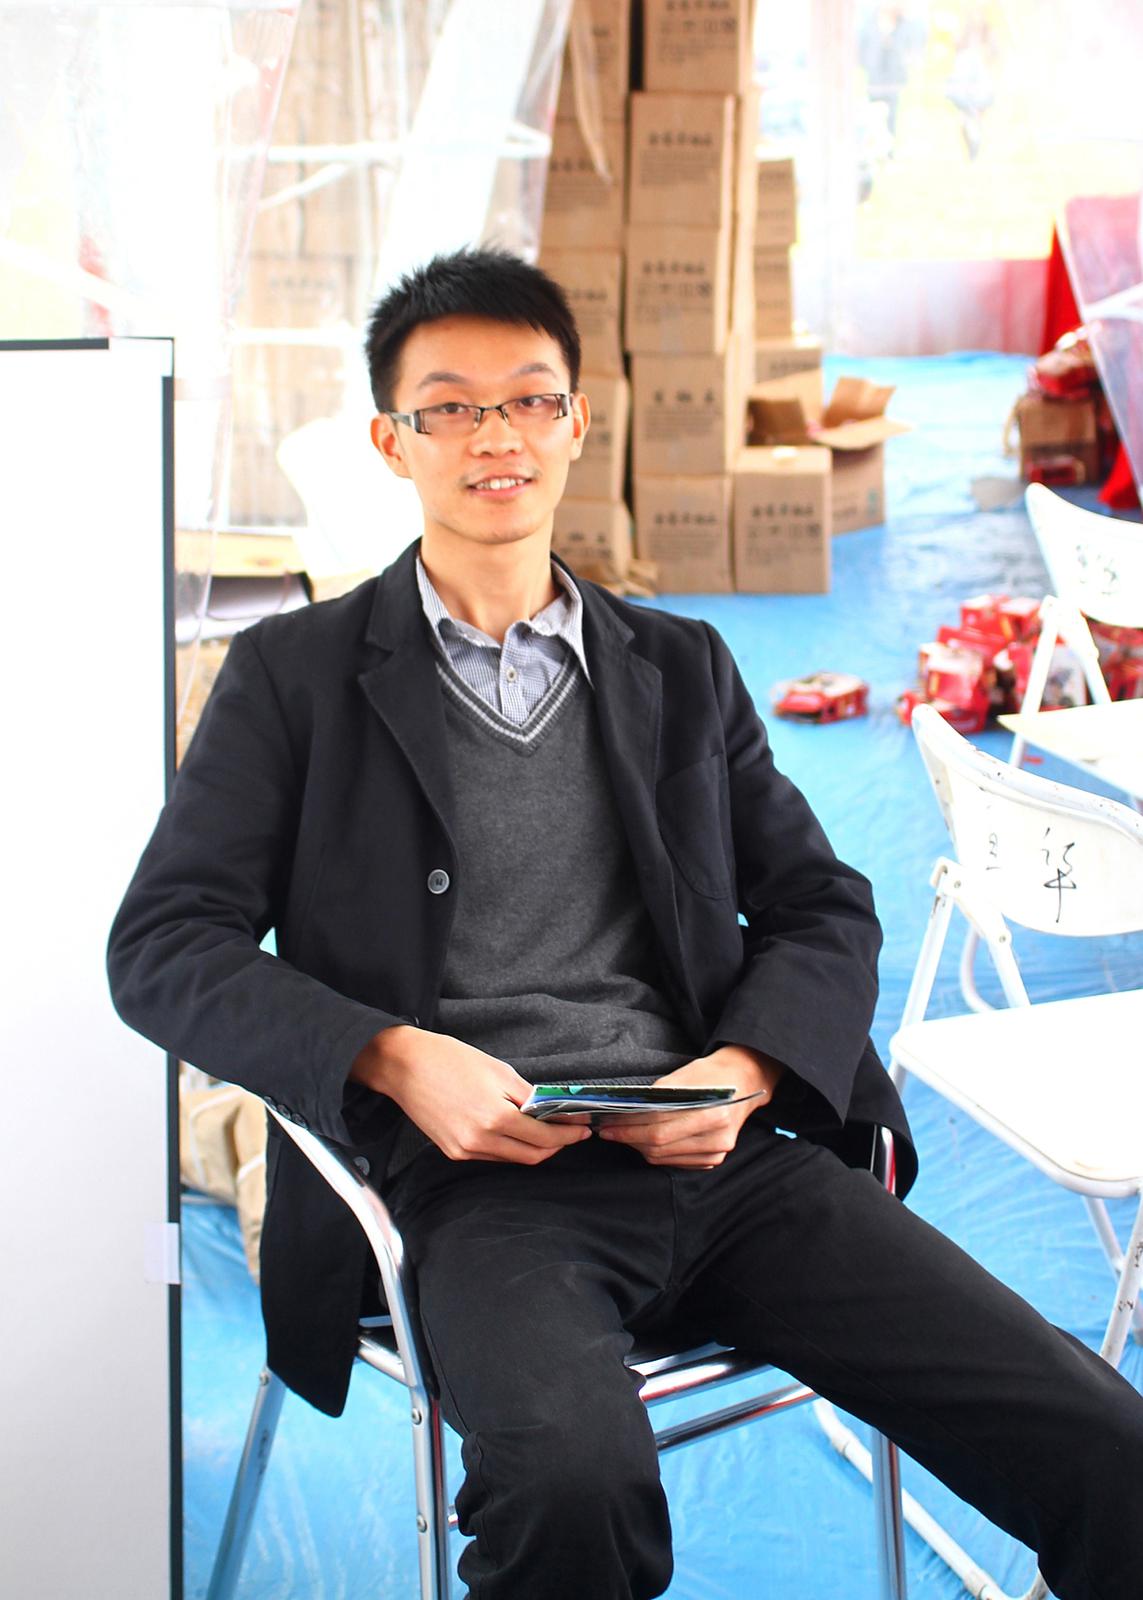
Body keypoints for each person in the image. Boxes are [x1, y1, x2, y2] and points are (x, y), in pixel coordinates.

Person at [109, 248, 1143, 1600]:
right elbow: (163, 944)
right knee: (570, 1490)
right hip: (478, 1192)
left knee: (1105, 1445)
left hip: (722, 1163)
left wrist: (747, 1072)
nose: (496, 435)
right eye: (451, 407)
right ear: (392, 442)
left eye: (530, 400)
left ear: (577, 423)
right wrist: (395, 1059)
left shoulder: (679, 664)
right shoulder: (294, 678)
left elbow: (822, 901)